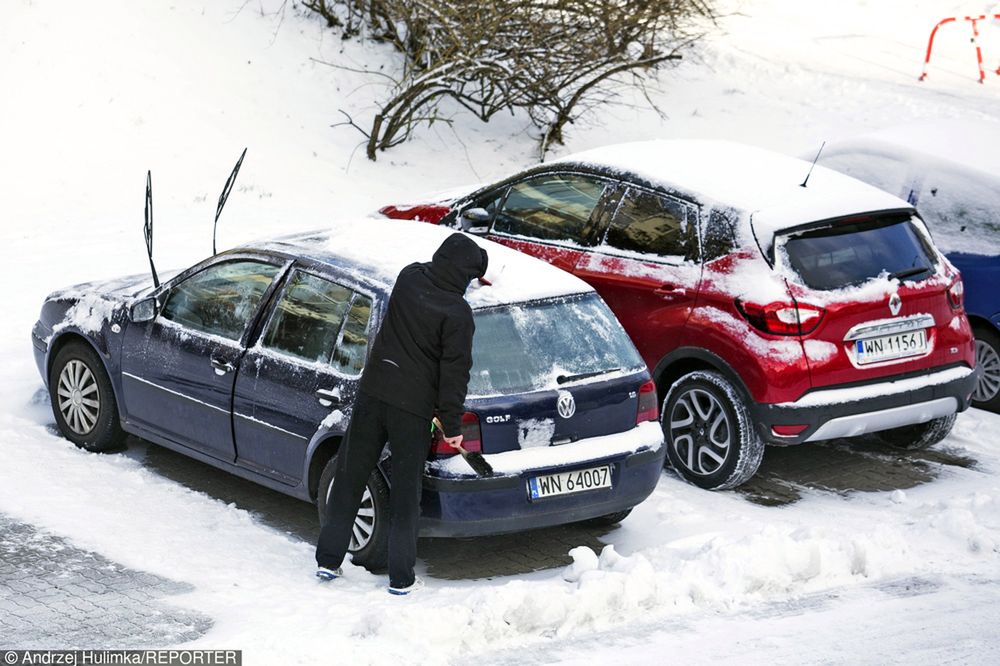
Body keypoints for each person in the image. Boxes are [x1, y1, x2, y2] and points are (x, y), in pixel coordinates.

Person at [315, 232, 488, 595]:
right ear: (464, 276)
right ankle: (400, 579)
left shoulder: (409, 277)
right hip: (412, 410)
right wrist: (452, 425)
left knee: (350, 475)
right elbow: (454, 373)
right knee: (406, 493)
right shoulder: (458, 314)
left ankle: (328, 562)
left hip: (374, 393)